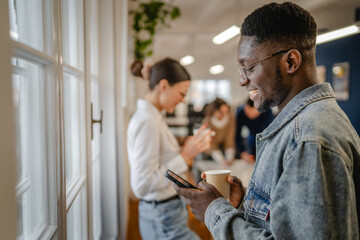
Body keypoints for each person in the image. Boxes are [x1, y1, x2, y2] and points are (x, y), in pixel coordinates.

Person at [174, 2, 360, 239]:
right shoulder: (301, 125)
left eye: (249, 67)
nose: (242, 81)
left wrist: (215, 212)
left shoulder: (309, 138)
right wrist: (245, 206)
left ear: (291, 62)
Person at [127, 58, 212, 240]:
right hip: (162, 217)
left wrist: (184, 149)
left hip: (166, 212)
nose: (183, 101)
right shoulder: (147, 121)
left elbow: (159, 160)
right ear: (164, 85)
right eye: (181, 94)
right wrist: (185, 155)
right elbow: (142, 185)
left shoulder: (154, 116)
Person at [235, 98, 274, 163]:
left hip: (263, 133)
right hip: (251, 134)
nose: (250, 116)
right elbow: (237, 134)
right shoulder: (240, 112)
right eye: (247, 113)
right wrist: (242, 152)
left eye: (254, 114)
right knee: (250, 141)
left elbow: (268, 134)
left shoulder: (267, 111)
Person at [202, 98, 235, 165]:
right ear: (214, 111)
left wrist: (229, 158)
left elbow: (230, 139)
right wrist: (221, 160)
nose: (224, 114)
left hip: (224, 150)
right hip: (210, 153)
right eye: (221, 112)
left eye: (226, 112)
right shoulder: (207, 122)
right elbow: (211, 144)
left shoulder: (230, 118)